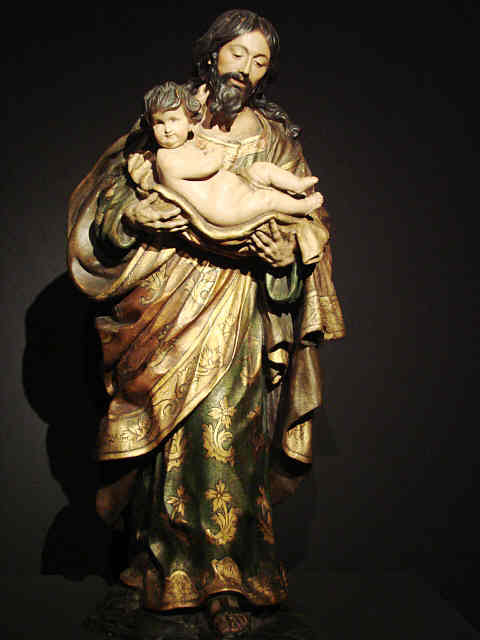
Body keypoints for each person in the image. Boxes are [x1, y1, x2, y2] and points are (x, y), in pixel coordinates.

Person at [67, 9, 345, 637]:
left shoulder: (273, 137)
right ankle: (156, 568)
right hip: (161, 297)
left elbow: (311, 220)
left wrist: (289, 249)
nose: (246, 69)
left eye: (260, 61)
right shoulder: (166, 116)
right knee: (162, 433)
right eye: (237, 53)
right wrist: (135, 218)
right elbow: (111, 199)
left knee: (224, 428)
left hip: (235, 298)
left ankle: (225, 579)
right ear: (212, 52)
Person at [129, 81, 323, 230]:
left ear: (189, 123)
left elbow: (192, 126)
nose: (167, 129)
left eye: (174, 120)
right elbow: (209, 166)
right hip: (226, 210)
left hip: (239, 186)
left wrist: (198, 104)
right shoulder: (165, 158)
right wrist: (216, 153)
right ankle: (301, 207)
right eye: (159, 122)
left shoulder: (185, 141)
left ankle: (296, 184)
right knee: (267, 199)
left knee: (262, 169)